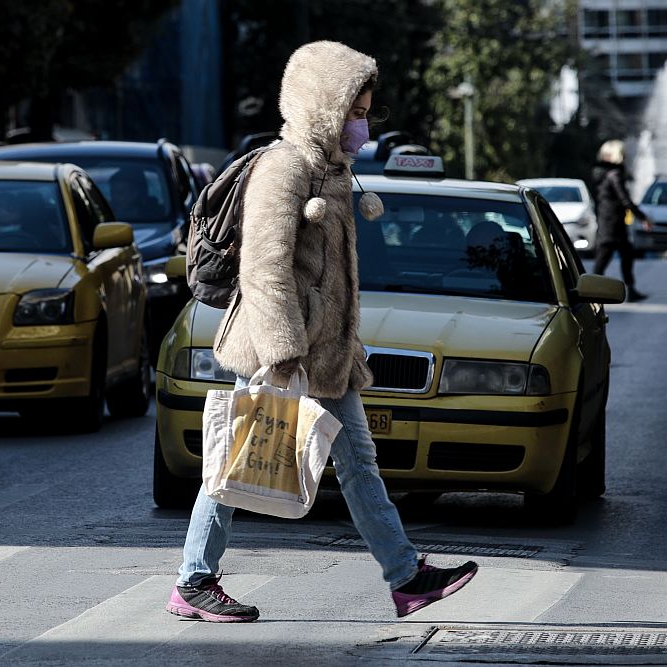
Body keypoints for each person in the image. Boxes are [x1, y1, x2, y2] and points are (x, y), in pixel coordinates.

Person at [168, 41, 478, 624]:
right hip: (278, 351)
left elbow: (330, 280)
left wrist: (339, 342)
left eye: (364, 112)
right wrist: (283, 353)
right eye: (353, 112)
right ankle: (193, 581)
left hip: (327, 354)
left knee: (357, 462)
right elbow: (262, 267)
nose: (362, 124)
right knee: (239, 463)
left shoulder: (334, 172)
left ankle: (407, 577)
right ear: (320, 106)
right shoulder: (284, 168)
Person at [591, 140, 650, 302]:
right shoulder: (614, 175)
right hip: (613, 224)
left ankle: (628, 290)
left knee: (621, 256)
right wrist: (642, 217)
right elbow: (625, 200)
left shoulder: (601, 173)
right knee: (604, 260)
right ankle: (589, 295)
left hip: (608, 222)